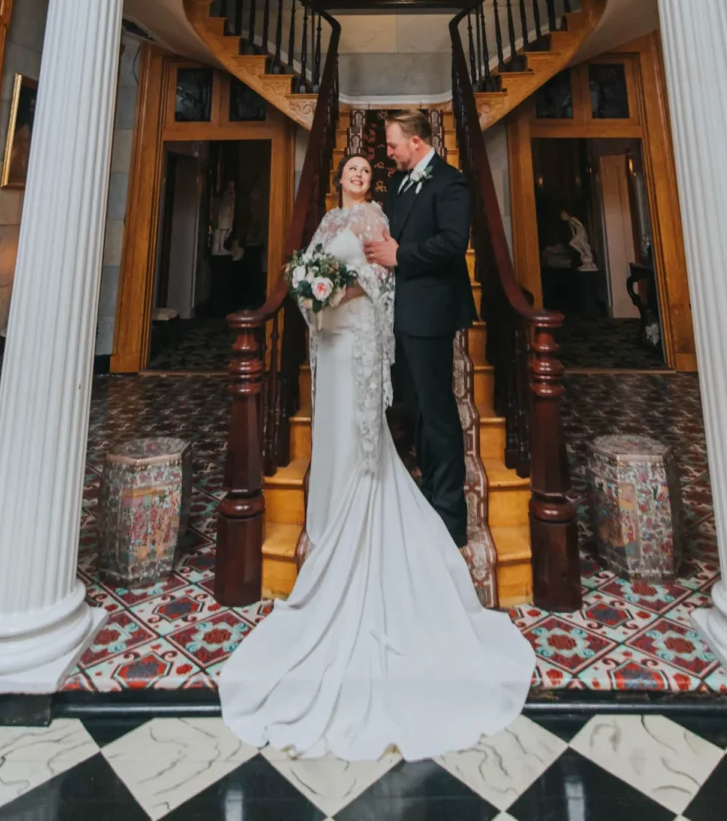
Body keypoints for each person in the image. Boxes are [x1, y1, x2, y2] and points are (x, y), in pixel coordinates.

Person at [217, 150, 534, 761]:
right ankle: (330, 519)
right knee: (330, 437)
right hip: (330, 340)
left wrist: (351, 287)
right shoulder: (327, 223)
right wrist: (315, 294)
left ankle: (364, 519)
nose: (359, 175)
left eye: (367, 170)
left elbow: (387, 279)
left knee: (362, 439)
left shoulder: (374, 220)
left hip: (360, 336)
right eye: (353, 170)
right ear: (337, 178)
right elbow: (304, 275)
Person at [364, 109, 472, 547]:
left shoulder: (449, 181)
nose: (387, 153)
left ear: (417, 142)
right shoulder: (402, 184)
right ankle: (428, 495)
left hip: (430, 313)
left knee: (438, 412)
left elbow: (452, 242)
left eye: (392, 144)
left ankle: (450, 517)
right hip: (402, 315)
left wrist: (401, 256)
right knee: (417, 411)